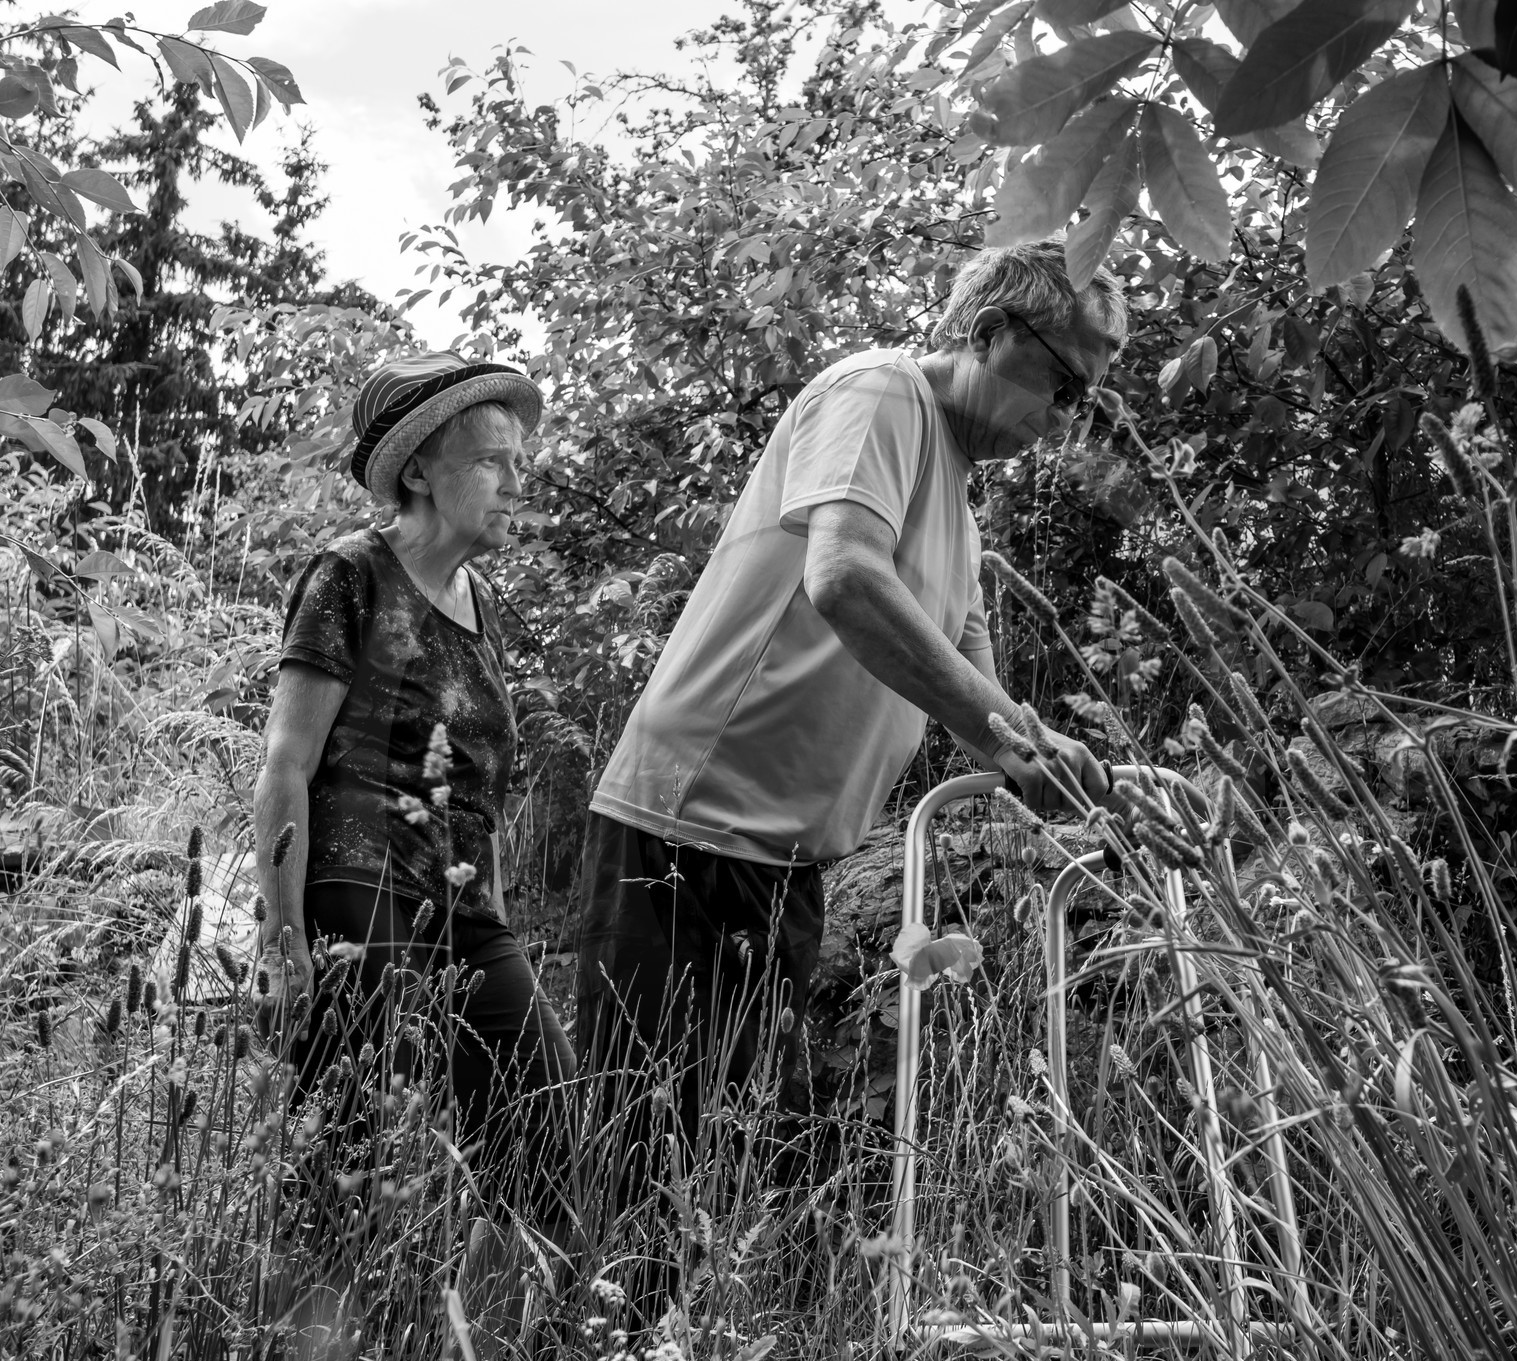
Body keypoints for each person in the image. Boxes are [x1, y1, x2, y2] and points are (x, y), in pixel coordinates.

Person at [577, 239, 1127, 1201]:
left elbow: (980, 710)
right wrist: (1012, 737)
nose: (1062, 421)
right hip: (689, 828)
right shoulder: (880, 393)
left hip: (787, 863)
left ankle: (674, 1349)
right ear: (991, 331)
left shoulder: (957, 507)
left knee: (736, 1173)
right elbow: (844, 578)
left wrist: (1050, 760)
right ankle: (564, 1348)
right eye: (1063, 386)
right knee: (643, 1164)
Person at [254, 351, 576, 1234]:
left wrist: (498, 920)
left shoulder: (484, 605)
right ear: (421, 472)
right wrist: (283, 939)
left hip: (465, 915)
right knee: (344, 1164)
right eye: (489, 462)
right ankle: (303, 1357)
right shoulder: (351, 573)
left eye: (519, 461)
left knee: (547, 1132)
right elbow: (287, 760)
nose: (516, 481)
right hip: (360, 898)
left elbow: (484, 793)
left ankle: (486, 1357)